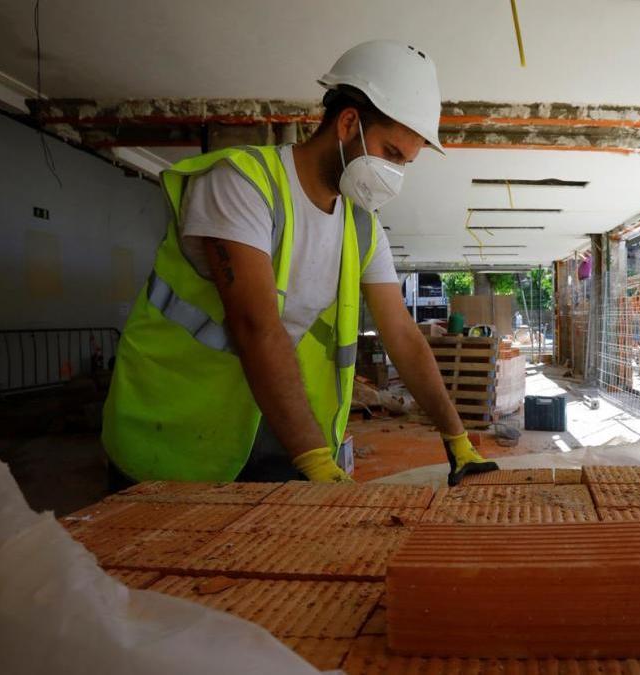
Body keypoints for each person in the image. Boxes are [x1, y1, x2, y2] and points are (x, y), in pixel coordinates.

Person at [102, 41, 498, 487]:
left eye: (404, 163)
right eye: (390, 153)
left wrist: (456, 438)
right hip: (174, 421)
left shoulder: (361, 228)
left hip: (267, 424)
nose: (395, 175)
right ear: (348, 123)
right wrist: (314, 462)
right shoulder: (243, 184)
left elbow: (404, 337)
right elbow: (256, 326)